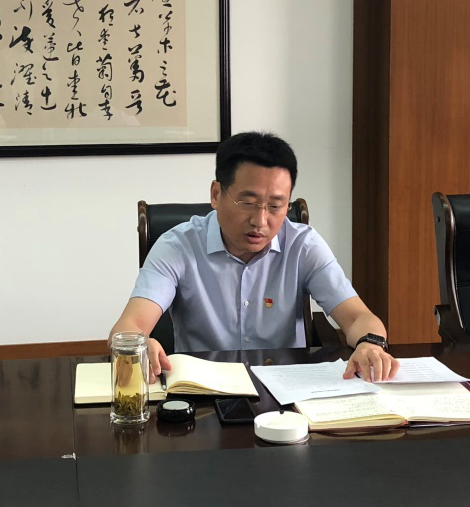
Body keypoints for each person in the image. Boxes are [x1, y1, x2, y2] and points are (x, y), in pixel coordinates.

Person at [109, 131, 399, 381]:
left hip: (286, 390)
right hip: (203, 392)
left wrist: (370, 344)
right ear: (216, 194)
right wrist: (138, 345)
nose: (260, 221)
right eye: (248, 203)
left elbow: (358, 317)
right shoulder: (177, 246)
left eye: (275, 206)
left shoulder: (303, 245)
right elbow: (127, 328)